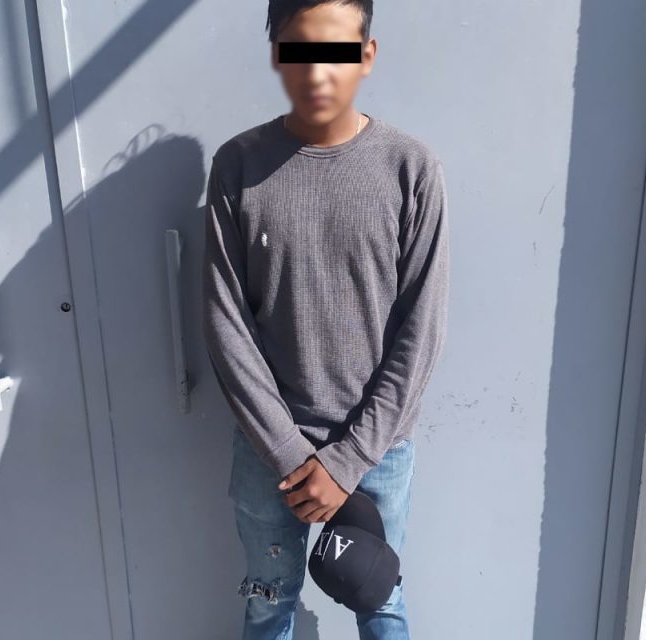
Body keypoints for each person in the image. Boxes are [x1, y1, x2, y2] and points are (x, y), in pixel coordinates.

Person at [201, 1, 449, 638]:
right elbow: (226, 323)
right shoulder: (238, 166)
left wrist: (348, 460)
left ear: (367, 55)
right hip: (269, 451)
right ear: (277, 55)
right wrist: (288, 452)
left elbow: (421, 329)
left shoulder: (410, 169)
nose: (317, 71)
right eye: (299, 50)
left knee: (382, 606)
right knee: (268, 605)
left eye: (336, 50)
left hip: (377, 449)